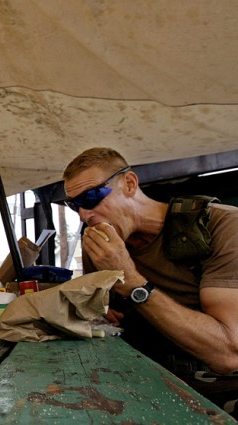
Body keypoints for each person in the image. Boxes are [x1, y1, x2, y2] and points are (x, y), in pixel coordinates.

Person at [63, 147, 238, 414]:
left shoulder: (222, 227)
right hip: (141, 377)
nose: (84, 215)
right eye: (74, 205)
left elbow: (228, 353)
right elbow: (102, 314)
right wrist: (94, 311)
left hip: (219, 387)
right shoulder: (100, 244)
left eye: (92, 197)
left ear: (130, 184)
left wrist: (133, 283)